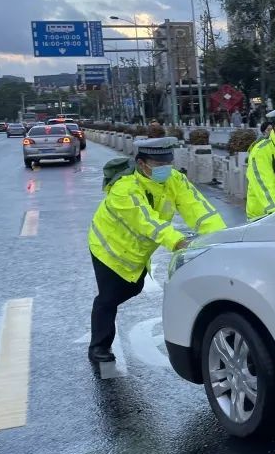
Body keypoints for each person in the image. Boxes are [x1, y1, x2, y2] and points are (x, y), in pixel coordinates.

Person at [86, 137, 227, 363]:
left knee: (134, 287)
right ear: (142, 164)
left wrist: (222, 237)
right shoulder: (124, 188)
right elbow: (148, 222)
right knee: (109, 298)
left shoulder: (173, 179)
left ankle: (102, 330)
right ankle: (99, 347)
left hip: (137, 251)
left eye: (168, 162)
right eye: (158, 164)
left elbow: (198, 208)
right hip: (109, 248)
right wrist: (178, 242)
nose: (165, 168)